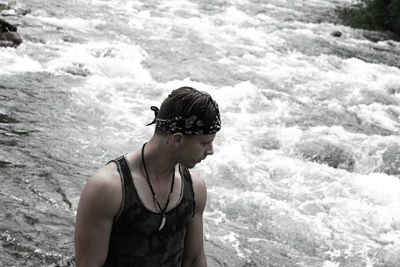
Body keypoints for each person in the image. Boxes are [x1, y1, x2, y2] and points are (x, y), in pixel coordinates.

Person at [74, 86, 221, 267]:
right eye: (205, 143)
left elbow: (194, 260)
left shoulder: (195, 188)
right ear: (178, 139)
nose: (210, 151)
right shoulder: (108, 188)